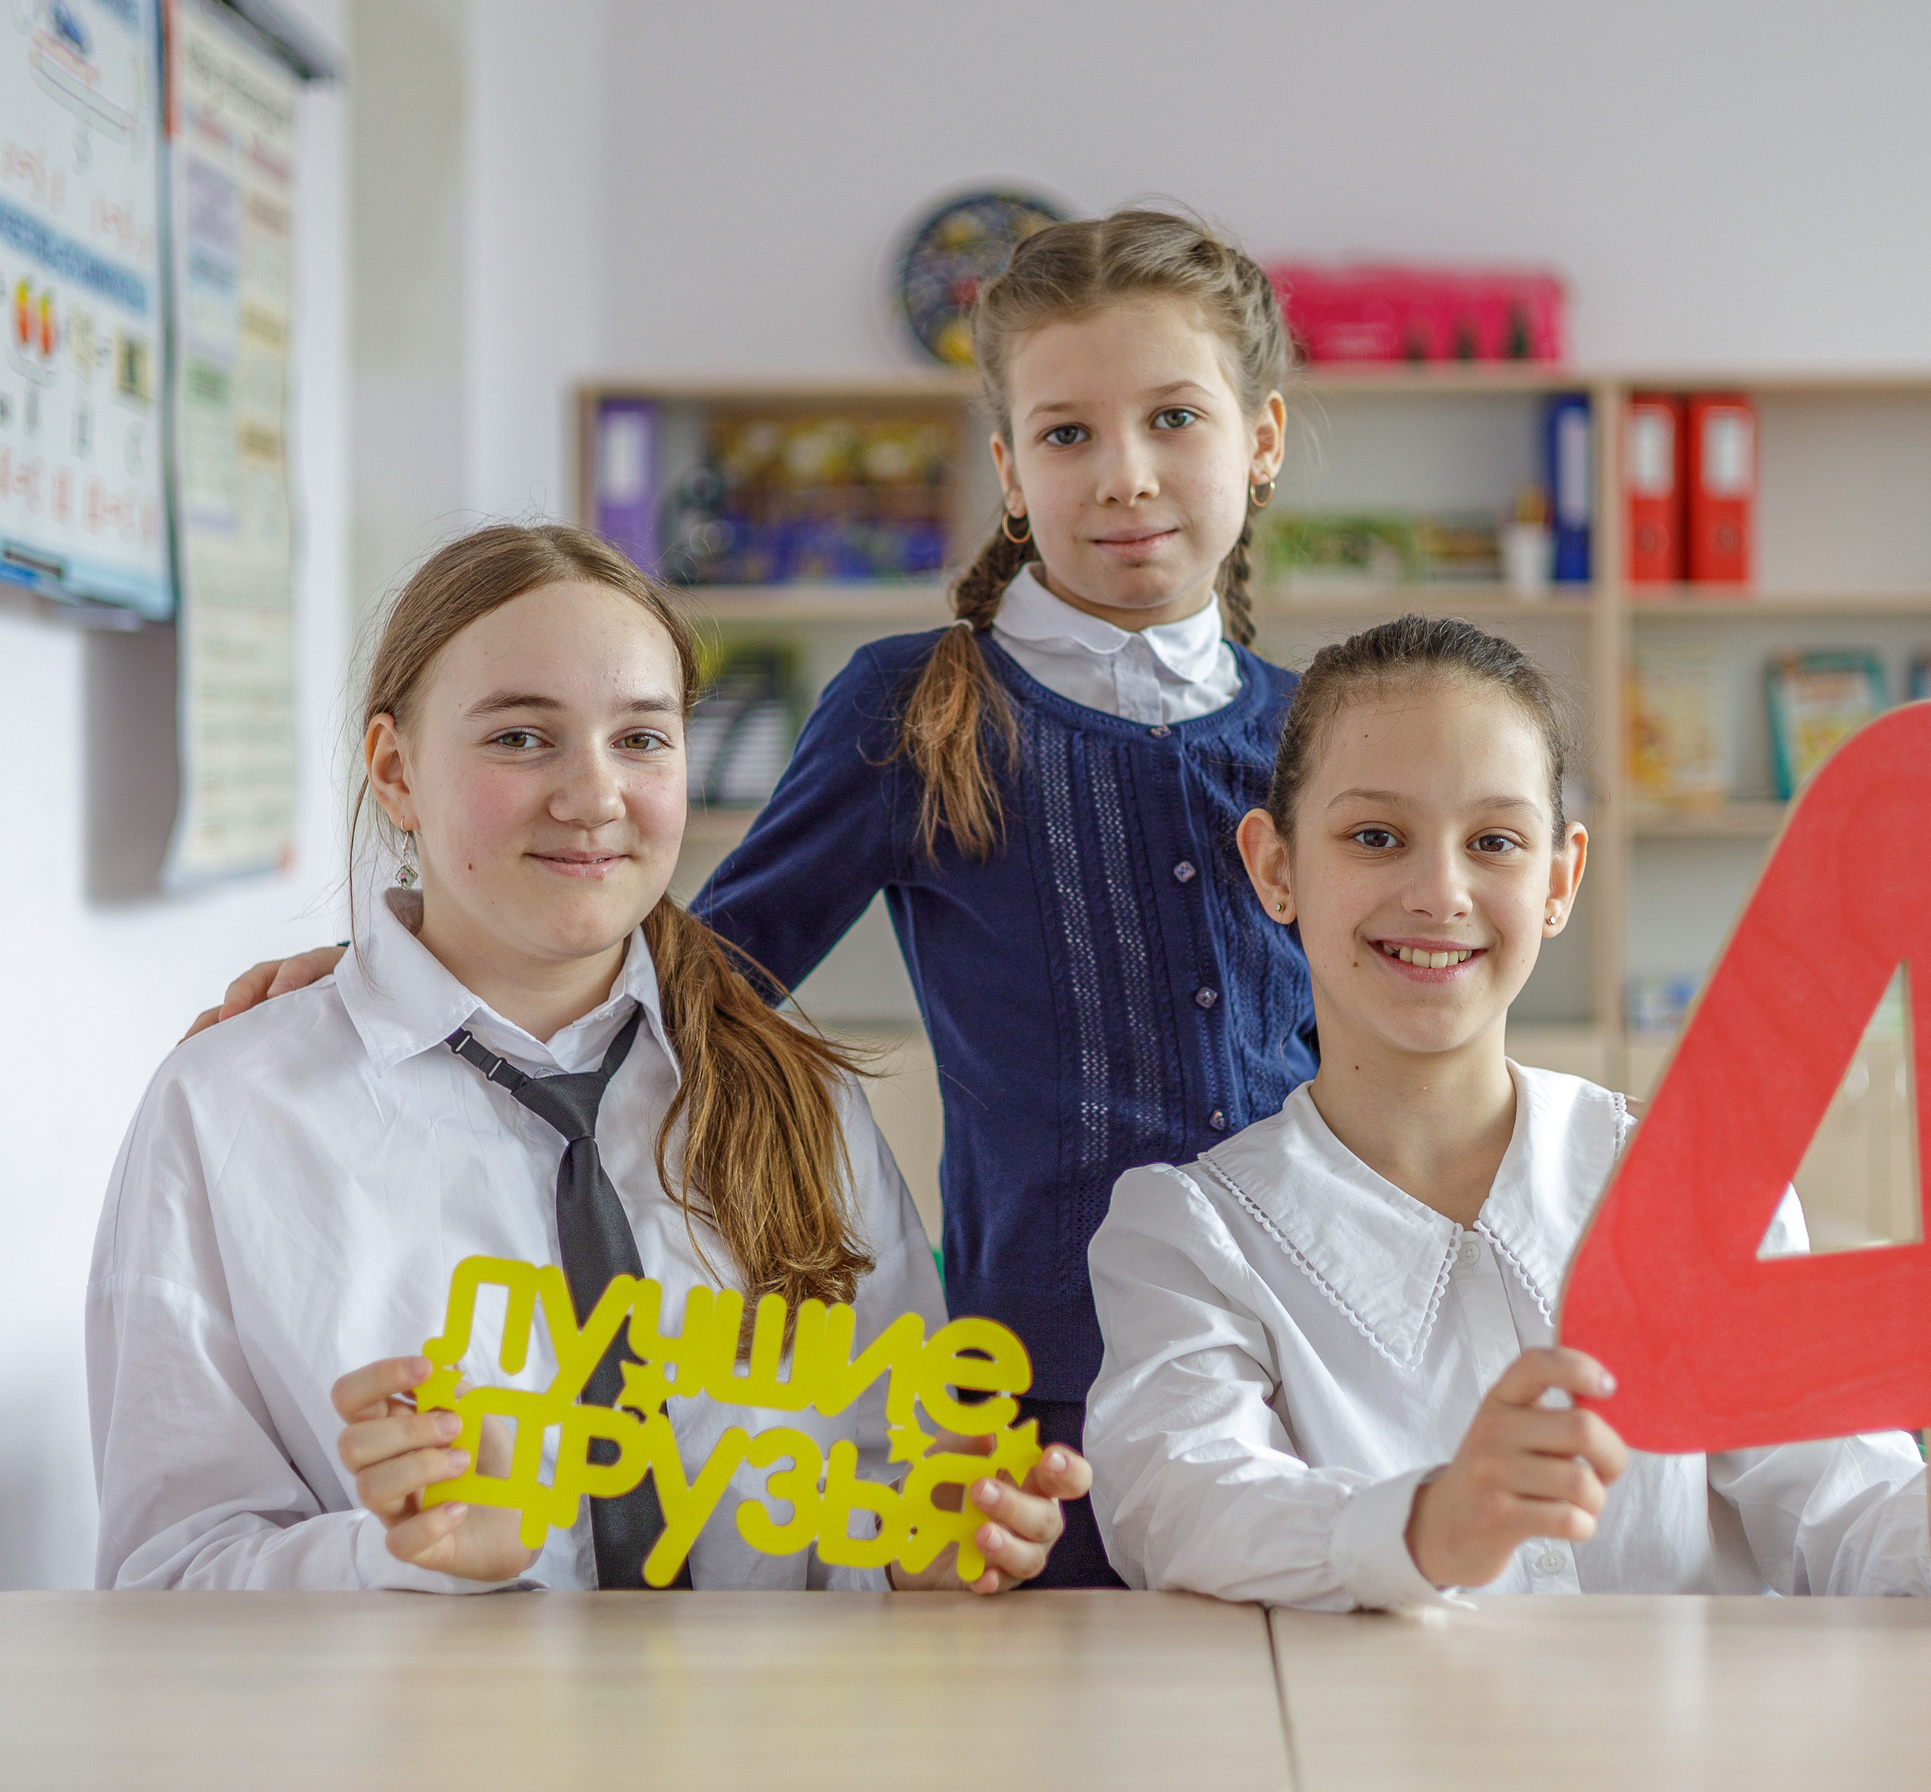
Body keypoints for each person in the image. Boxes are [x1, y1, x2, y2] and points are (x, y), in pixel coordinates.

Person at [193, 211, 1312, 1586]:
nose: (1126, 475)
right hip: (1040, 1409)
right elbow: (714, 963)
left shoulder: (1324, 733)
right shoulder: (918, 706)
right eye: (1069, 435)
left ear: (1260, 440)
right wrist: (412, 961)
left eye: (1175, 420)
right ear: (1011, 473)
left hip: (1302, 1365)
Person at [1083, 614, 1931, 1608]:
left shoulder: (1695, 1177)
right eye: (1374, 837)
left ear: (1560, 880)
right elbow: (1180, 1496)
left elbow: (1838, 1498)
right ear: (1274, 867)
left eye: (1495, 842)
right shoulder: (1190, 1231)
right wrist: (1425, 1522)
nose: (1439, 891)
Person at [91, 524, 1087, 1593]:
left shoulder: (799, 1094)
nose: (595, 794)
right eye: (522, 738)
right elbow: (166, 1578)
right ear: (395, 771)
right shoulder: (229, 1112)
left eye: (642, 739)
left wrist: (923, 1552)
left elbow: (885, 1488)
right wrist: (402, 1554)